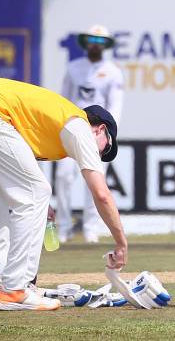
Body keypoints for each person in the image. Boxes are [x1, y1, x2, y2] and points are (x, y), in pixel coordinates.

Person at [0, 77, 127, 311]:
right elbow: (102, 195)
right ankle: (15, 288)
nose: (100, 155)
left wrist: (41, 204)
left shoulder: (54, 129)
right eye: (106, 148)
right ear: (101, 129)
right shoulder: (79, 126)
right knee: (38, 191)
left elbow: (16, 171)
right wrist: (121, 243)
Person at [56, 24, 124, 243]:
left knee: (95, 182)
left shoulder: (113, 71)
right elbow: (63, 100)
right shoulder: (74, 67)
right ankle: (64, 227)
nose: (95, 45)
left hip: (97, 134)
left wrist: (108, 134)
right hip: (73, 128)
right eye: (92, 41)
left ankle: (90, 229)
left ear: (106, 45)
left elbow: (115, 107)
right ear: (86, 43)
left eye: (100, 42)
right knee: (63, 176)